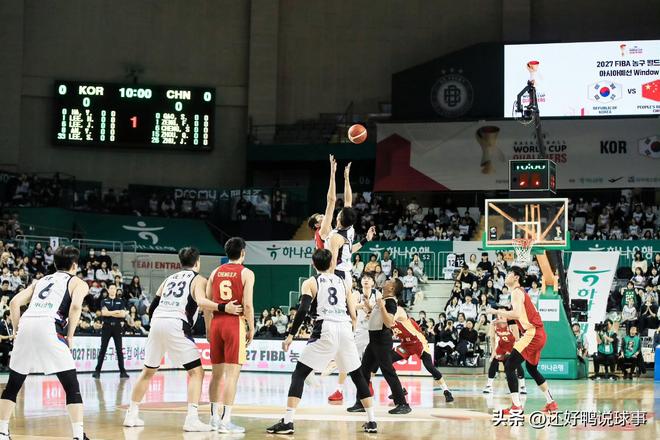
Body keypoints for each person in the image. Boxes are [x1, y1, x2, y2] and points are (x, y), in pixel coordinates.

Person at [266, 249, 377, 434]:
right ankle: (372, 421)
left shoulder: (311, 282)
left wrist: (291, 335)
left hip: (325, 327)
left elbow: (303, 309)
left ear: (313, 264)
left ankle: (288, 421)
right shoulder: (342, 281)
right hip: (345, 327)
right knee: (357, 375)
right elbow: (352, 311)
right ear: (331, 263)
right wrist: (351, 328)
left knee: (299, 374)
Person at [123, 247, 232, 432]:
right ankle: (192, 419)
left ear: (180, 262)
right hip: (176, 323)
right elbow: (202, 303)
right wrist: (223, 308)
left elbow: (152, 307)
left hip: (157, 322)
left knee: (147, 371)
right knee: (197, 372)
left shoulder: (168, 279)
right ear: (197, 262)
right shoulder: (199, 279)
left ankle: (131, 415)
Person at [0, 246, 90, 440]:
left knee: (13, 384)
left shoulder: (41, 280)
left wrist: (16, 331)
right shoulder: (78, 282)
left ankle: (2, 432)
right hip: (49, 325)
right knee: (71, 385)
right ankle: (78, 436)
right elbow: (75, 306)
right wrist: (70, 336)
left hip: (26, 323)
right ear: (75, 265)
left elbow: (14, 303)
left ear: (55, 264)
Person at [486, 266, 557, 415]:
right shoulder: (520, 292)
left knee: (509, 366)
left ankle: (516, 406)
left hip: (533, 333)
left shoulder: (516, 292)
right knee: (532, 369)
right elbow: (519, 315)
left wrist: (496, 311)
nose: (506, 276)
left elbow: (517, 314)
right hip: (538, 333)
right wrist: (503, 317)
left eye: (509, 274)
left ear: (516, 277)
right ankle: (551, 402)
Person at [205, 237, 255, 433]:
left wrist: (208, 328)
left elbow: (207, 304)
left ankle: (213, 419)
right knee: (232, 376)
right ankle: (225, 421)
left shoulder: (215, 272)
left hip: (216, 323)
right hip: (234, 323)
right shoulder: (246, 273)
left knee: (216, 375)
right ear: (243, 253)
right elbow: (248, 305)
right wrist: (251, 327)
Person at [347, 278, 410, 415]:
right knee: (364, 372)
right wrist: (369, 308)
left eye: (389, 281)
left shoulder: (390, 302)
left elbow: (389, 323)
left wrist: (380, 307)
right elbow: (376, 316)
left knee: (388, 372)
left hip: (382, 341)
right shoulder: (383, 300)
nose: (386, 281)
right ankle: (361, 403)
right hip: (374, 341)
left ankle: (403, 404)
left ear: (392, 288)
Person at [328, 273, 378, 403]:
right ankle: (339, 390)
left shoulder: (377, 294)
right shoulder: (356, 294)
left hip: (374, 332)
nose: (366, 280)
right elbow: (351, 306)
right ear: (361, 282)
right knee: (346, 360)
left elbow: (380, 309)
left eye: (369, 278)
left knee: (374, 361)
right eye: (364, 278)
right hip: (360, 331)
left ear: (373, 282)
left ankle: (369, 382)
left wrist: (371, 309)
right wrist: (364, 306)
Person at [391, 304, 454, 402]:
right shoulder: (387, 316)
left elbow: (390, 319)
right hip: (406, 345)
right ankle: (399, 390)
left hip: (418, 342)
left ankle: (446, 391)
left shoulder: (399, 311)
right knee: (386, 360)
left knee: (429, 367)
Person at [92, 285, 129, 378]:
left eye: (114, 289)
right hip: (106, 327)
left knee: (119, 350)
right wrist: (116, 312)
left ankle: (122, 372)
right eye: (111, 288)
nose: (112, 290)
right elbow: (104, 313)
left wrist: (110, 313)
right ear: (108, 290)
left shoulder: (120, 301)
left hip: (117, 327)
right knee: (103, 349)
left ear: (116, 290)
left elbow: (122, 315)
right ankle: (97, 371)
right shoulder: (104, 301)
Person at [483, 320, 525, 394]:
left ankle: (522, 386)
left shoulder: (512, 323)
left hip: (513, 346)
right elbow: (492, 338)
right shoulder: (494, 323)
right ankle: (489, 385)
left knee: (517, 364)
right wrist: (493, 351)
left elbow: (517, 339)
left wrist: (513, 352)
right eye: (499, 314)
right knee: (494, 361)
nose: (500, 316)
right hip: (501, 346)